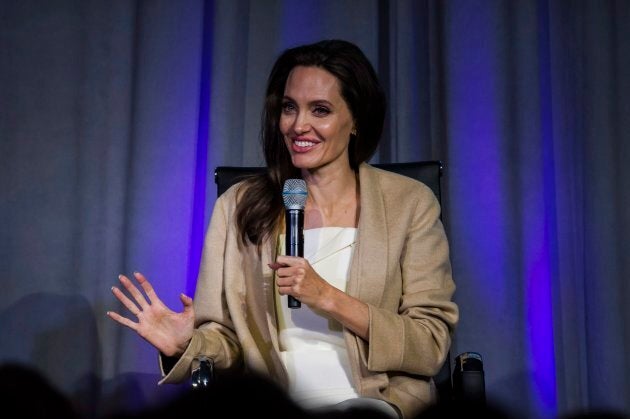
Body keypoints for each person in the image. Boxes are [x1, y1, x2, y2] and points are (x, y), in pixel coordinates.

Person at [107, 39, 459, 419]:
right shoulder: (239, 206)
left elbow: (430, 345)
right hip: (274, 405)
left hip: (378, 404)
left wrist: (327, 297)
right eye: (289, 108)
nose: (298, 125)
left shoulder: (409, 203)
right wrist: (185, 344)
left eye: (319, 110)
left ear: (356, 119)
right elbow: (227, 343)